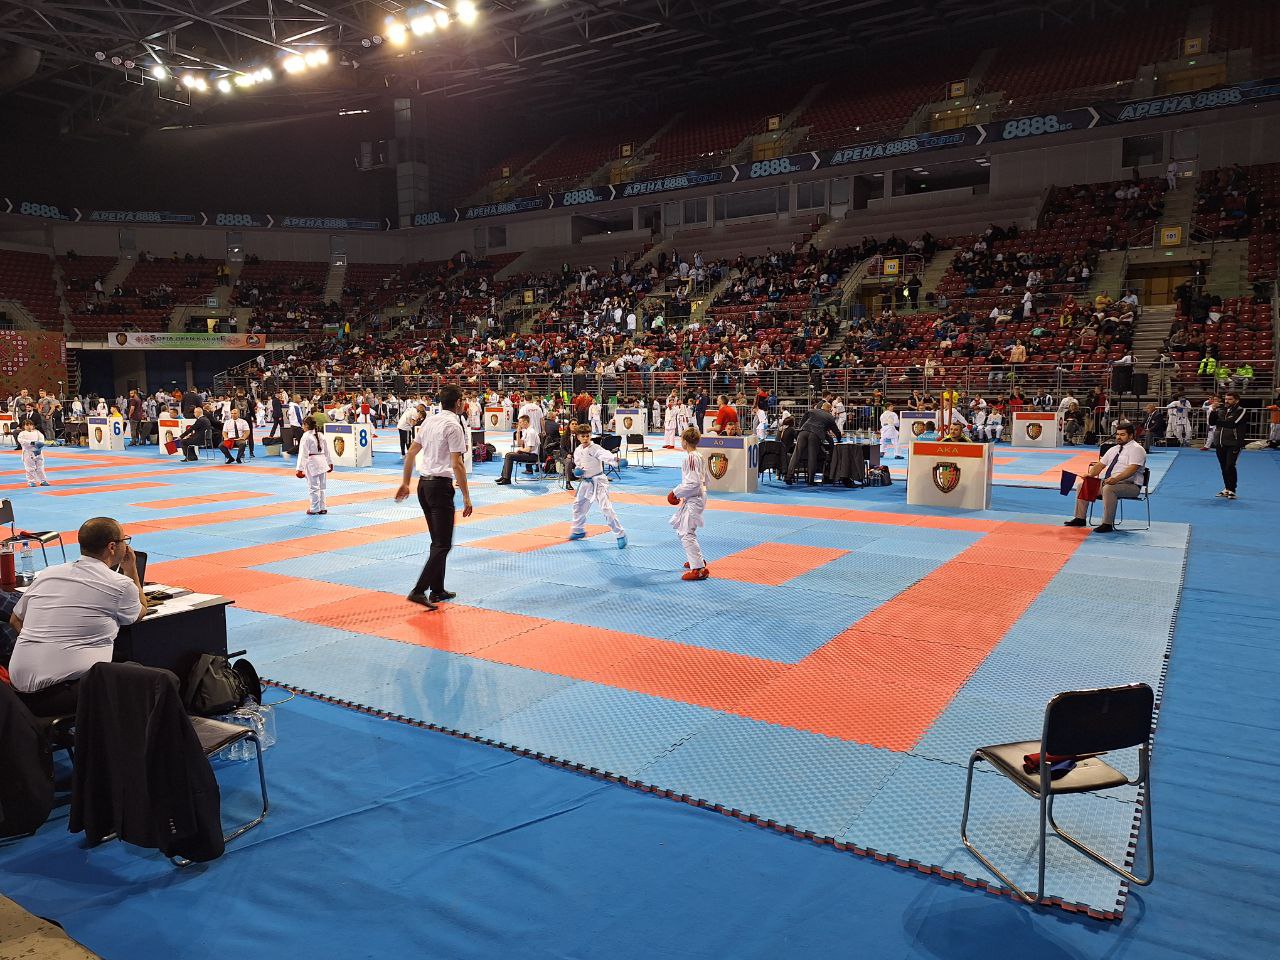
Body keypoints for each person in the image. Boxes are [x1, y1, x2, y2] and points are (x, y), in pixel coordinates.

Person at [7, 517, 146, 717]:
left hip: (16, 692)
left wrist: (44, 641)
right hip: (60, 693)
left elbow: (15, 620)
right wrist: (131, 570)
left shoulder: (49, 573)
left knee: (120, 659)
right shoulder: (120, 584)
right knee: (140, 678)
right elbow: (140, 611)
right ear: (112, 547)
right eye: (125, 540)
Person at [396, 384, 474, 611]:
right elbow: (457, 464)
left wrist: (405, 482)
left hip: (423, 485)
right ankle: (419, 590)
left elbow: (411, 452)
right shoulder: (454, 425)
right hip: (439, 487)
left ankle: (437, 589)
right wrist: (466, 496)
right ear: (458, 402)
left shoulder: (429, 421)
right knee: (443, 544)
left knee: (437, 541)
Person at [1063, 422, 1146, 533]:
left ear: (1131, 436)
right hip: (1110, 482)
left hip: (1131, 486)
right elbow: (1100, 465)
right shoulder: (1114, 449)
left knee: (1108, 489)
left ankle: (1107, 524)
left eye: (1122, 435)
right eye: (1117, 434)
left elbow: (1132, 469)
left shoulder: (1137, 449)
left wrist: (1116, 479)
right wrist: (1090, 475)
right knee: (1083, 485)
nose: (1118, 437)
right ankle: (1080, 518)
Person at [568, 423, 626, 548]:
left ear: (590, 436)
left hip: (599, 481)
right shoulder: (578, 450)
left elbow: (605, 455)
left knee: (606, 508)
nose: (585, 438)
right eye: (583, 436)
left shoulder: (595, 448)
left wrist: (616, 460)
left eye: (587, 436)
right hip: (586, 482)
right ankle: (578, 530)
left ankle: (620, 534)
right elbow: (578, 465)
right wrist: (577, 471)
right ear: (578, 437)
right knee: (578, 505)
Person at [668, 426, 710, 581]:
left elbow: (693, 483)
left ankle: (698, 569)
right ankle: (696, 560)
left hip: (695, 497)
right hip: (696, 496)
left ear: (685, 441)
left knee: (687, 533)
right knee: (682, 528)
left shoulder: (691, 457)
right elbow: (705, 480)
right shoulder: (699, 455)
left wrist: (675, 493)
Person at [785, 402, 842, 484]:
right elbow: (836, 432)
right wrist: (839, 439)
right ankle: (810, 480)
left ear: (822, 407)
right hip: (815, 435)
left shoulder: (812, 411)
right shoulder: (830, 417)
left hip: (803, 432)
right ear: (829, 409)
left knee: (796, 454)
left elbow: (802, 422)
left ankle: (788, 476)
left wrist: (800, 430)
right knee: (812, 457)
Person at [1208, 392, 1247, 499]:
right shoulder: (1221, 410)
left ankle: (1232, 490)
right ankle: (1227, 488)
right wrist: (1213, 410)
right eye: (1226, 399)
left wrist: (1219, 422)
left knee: (1230, 466)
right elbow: (1211, 422)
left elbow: (1232, 424)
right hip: (1220, 443)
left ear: (1236, 400)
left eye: (1230, 399)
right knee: (1223, 467)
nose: (1226, 401)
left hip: (1234, 443)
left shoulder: (1241, 410)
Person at [295, 416, 333, 514]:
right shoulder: (321, 435)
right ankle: (323, 507)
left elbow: (303, 453)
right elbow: (327, 450)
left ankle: (315, 508)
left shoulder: (306, 436)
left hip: (312, 463)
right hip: (322, 461)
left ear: (307, 425)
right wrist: (329, 462)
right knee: (322, 487)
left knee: (313, 487)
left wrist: (299, 469)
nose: (302, 427)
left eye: (303, 424)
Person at [494, 415, 539, 485]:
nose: (519, 424)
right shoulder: (526, 431)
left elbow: (529, 449)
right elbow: (519, 443)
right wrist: (518, 432)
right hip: (528, 454)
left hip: (533, 456)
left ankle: (507, 479)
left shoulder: (531, 432)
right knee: (508, 454)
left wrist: (521, 450)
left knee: (509, 456)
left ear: (525, 422)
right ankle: (504, 477)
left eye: (520, 422)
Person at [16, 419, 49, 487]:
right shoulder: (22, 434)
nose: (29, 426)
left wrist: (39, 447)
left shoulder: (37, 432)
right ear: (24, 426)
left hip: (38, 452)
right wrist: (33, 443)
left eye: (30, 425)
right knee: (30, 468)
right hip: (28, 452)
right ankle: (31, 481)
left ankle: (43, 480)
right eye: (27, 425)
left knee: (40, 467)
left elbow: (41, 440)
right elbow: (22, 441)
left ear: (33, 426)